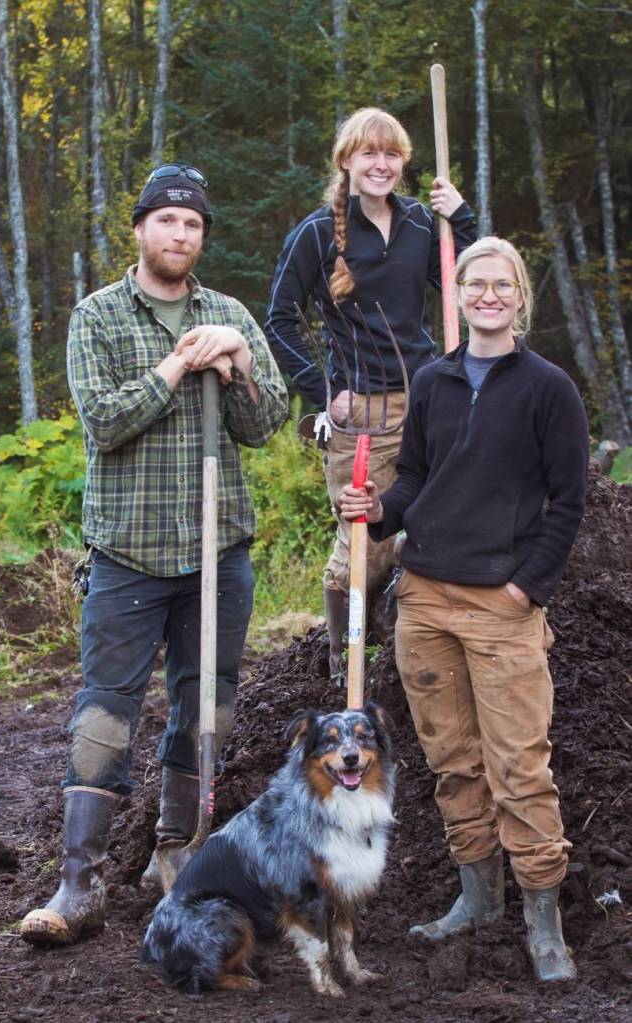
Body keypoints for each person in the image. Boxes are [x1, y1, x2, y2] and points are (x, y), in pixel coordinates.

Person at [20, 164, 288, 947]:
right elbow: (104, 421)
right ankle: (79, 881)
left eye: (193, 224)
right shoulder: (99, 315)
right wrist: (177, 365)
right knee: (105, 714)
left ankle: (179, 858)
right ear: (139, 228)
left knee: (208, 703)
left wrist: (236, 357)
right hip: (128, 555)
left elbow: (264, 422)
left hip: (216, 551)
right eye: (167, 220)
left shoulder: (229, 313)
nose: (180, 235)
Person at [338, 237, 589, 983]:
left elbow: (568, 501)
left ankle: (544, 922)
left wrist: (526, 587)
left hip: (503, 606)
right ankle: (478, 897)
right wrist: (379, 509)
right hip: (425, 601)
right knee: (453, 762)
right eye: (473, 283)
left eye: (500, 284)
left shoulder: (549, 388)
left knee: (520, 764)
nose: (487, 294)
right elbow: (417, 478)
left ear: (519, 297)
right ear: (457, 295)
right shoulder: (436, 380)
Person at [265, 107, 477, 687]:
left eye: (392, 154)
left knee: (439, 523)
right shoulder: (315, 233)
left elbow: (471, 282)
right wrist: (322, 389)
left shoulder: (418, 224)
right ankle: (345, 664)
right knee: (369, 542)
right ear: (346, 161)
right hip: (364, 416)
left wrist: (462, 219)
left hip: (432, 403)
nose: (381, 163)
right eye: (369, 153)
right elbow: (280, 318)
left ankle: (419, 644)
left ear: (403, 162)